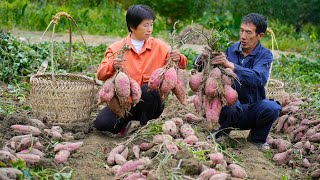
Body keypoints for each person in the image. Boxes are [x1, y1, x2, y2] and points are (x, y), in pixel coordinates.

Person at [94, 5, 187, 137]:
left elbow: (181, 66)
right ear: (132, 27)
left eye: (152, 24)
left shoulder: (160, 46)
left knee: (147, 90)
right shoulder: (117, 48)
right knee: (102, 124)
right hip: (124, 103)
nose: (150, 29)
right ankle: (126, 122)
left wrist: (179, 58)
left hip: (150, 103)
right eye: (146, 25)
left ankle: (144, 127)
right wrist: (113, 65)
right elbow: (101, 74)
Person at [200, 13, 281, 150]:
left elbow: (258, 78)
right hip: (228, 110)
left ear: (260, 35)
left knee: (273, 107)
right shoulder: (229, 49)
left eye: (248, 32)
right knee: (231, 104)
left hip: (252, 111)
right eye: (241, 30)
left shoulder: (265, 55)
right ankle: (221, 133)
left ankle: (257, 139)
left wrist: (230, 65)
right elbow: (205, 67)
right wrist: (203, 58)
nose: (243, 36)